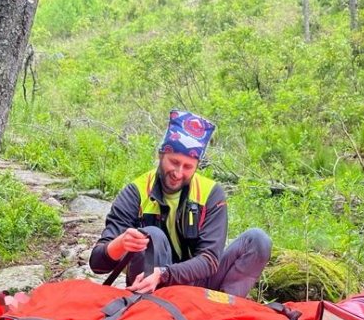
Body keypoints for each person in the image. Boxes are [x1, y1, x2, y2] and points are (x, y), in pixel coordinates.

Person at [89, 110, 271, 297]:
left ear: (197, 166)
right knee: (152, 235)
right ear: (161, 155)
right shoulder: (136, 192)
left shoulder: (210, 193)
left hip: (197, 282)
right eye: (174, 162)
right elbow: (97, 264)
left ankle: (225, 308)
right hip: (153, 289)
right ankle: (149, 308)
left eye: (188, 167)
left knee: (258, 240)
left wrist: (165, 273)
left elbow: (209, 260)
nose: (178, 173)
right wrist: (121, 243)